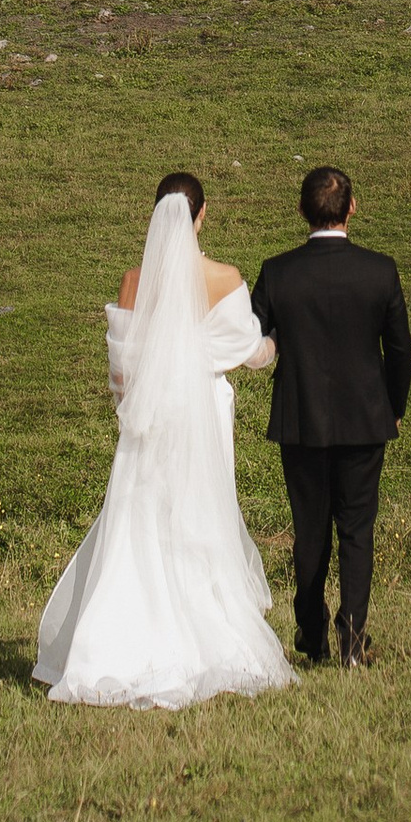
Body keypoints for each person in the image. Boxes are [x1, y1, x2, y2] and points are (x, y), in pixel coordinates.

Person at [33, 174, 292, 713]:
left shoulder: (134, 282)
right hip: (203, 416)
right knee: (199, 518)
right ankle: (205, 641)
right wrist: (277, 340)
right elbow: (249, 353)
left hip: (149, 421)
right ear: (202, 214)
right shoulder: (224, 278)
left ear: (157, 214)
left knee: (141, 522)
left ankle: (120, 644)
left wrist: (134, 408)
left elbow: (121, 372)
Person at [252, 167, 411, 671]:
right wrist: (394, 407)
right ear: (352, 208)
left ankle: (311, 628)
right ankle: (352, 637)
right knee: (357, 529)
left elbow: (250, 337)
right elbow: (400, 349)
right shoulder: (379, 271)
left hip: (300, 420)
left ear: (302, 210)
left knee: (310, 530)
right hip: (365, 419)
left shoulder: (278, 272)